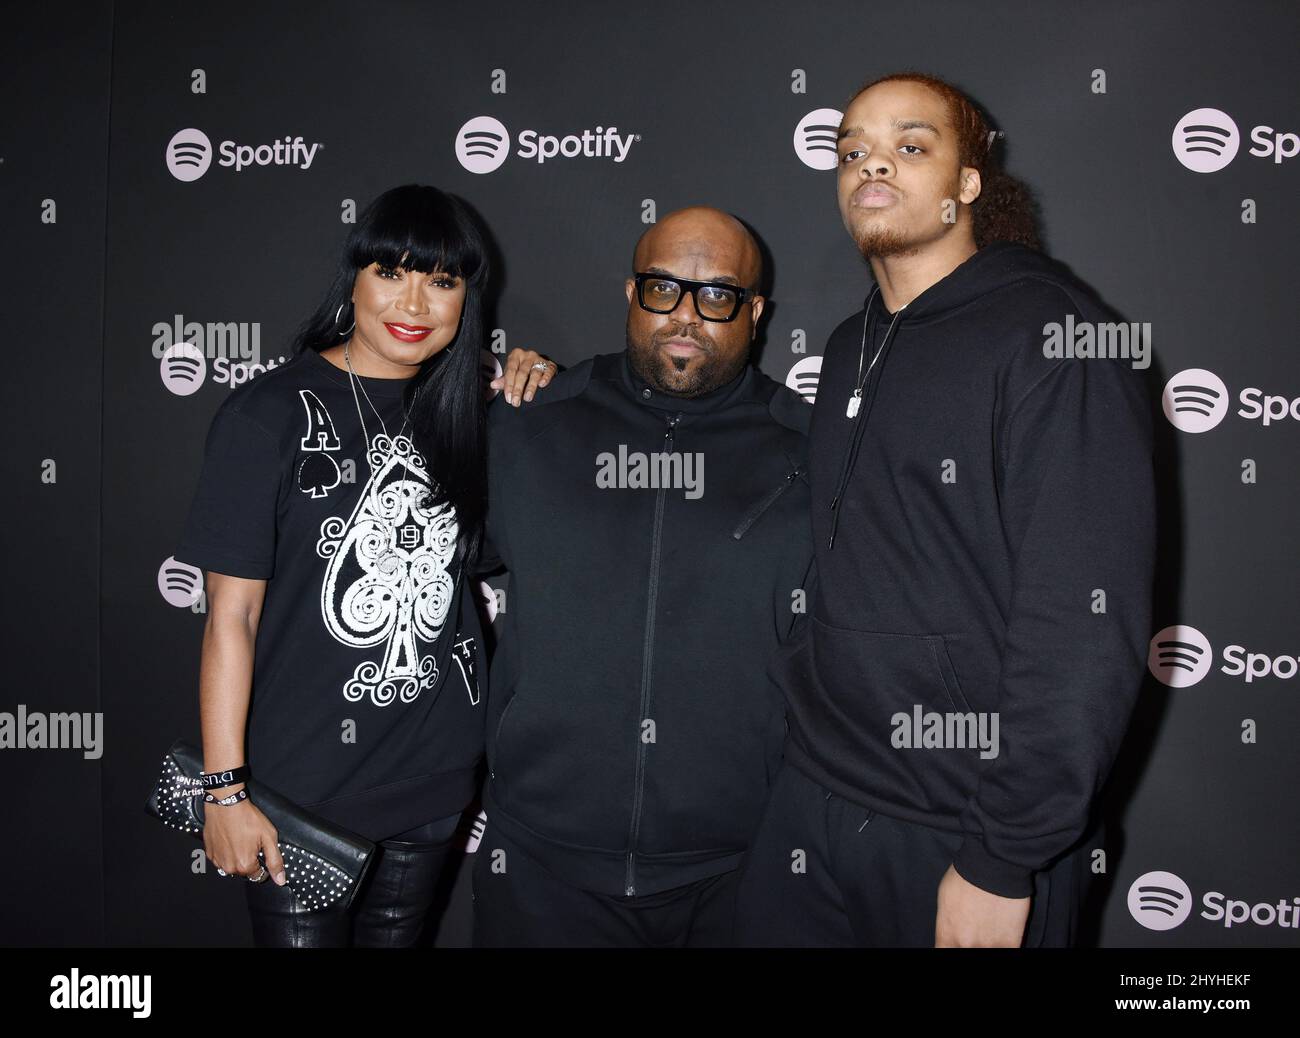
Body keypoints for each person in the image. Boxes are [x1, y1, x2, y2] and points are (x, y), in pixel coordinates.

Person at [734, 73, 1157, 947]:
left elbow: (1082, 625)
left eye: (910, 146)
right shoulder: (854, 344)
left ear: (969, 184)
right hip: (815, 795)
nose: (871, 164)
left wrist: (1004, 856)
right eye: (851, 150)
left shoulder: (1054, 337)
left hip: (963, 827)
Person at [174, 184, 555, 947]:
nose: (414, 301)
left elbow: (511, 541)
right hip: (302, 792)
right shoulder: (267, 416)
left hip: (434, 778)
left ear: (465, 300)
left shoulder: (472, 419)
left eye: (442, 281)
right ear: (353, 278)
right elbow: (231, 617)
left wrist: (536, 400)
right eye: (392, 271)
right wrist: (221, 792)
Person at [472, 206, 813, 947]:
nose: (686, 316)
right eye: (664, 289)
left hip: (740, 875)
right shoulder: (528, 423)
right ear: (631, 294)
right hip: (539, 867)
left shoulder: (812, 452)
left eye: (717, 295)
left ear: (755, 314)